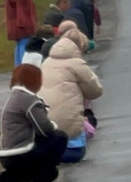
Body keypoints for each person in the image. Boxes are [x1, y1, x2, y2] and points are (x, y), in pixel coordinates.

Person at [0, 64, 67, 182]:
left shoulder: (12, 99)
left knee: (45, 145)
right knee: (60, 137)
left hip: (6, 156)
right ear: (34, 81)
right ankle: (45, 178)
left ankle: (9, 178)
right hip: (22, 153)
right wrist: (53, 125)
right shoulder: (28, 100)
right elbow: (45, 129)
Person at [38, 33, 104, 163]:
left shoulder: (45, 64)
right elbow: (96, 91)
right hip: (72, 149)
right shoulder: (77, 64)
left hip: (46, 141)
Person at [5, 0, 38, 66]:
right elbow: (22, 7)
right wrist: (25, 23)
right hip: (22, 24)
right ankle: (24, 67)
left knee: (19, 45)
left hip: (14, 23)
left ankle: (18, 67)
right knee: (24, 45)